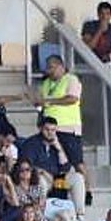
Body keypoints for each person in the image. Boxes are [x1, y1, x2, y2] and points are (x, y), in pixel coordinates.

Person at [33, 56, 90, 209]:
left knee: (77, 161)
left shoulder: (71, 79)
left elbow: (72, 99)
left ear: (61, 66)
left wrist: (51, 101)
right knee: (56, 161)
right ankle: (58, 193)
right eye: (48, 67)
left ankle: (87, 191)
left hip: (68, 127)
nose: (49, 70)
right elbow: (42, 101)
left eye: (52, 67)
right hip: (50, 128)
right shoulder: (46, 83)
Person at [18, 116, 86, 219]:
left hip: (58, 180)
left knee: (78, 178)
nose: (50, 133)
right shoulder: (31, 143)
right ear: (40, 128)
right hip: (41, 179)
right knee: (40, 180)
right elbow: (28, 166)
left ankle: (80, 215)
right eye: (47, 129)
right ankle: (42, 214)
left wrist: (58, 148)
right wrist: (45, 173)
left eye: (53, 130)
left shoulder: (59, 142)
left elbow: (66, 168)